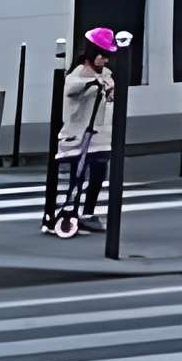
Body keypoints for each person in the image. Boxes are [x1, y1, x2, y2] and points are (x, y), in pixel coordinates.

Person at [48, 29, 120, 236]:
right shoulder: (78, 74)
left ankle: (87, 212)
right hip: (80, 133)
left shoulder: (106, 75)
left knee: (98, 173)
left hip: (101, 133)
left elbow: (111, 98)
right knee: (78, 175)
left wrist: (108, 89)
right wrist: (91, 84)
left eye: (106, 55)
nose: (103, 59)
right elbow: (71, 90)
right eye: (100, 54)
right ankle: (71, 211)